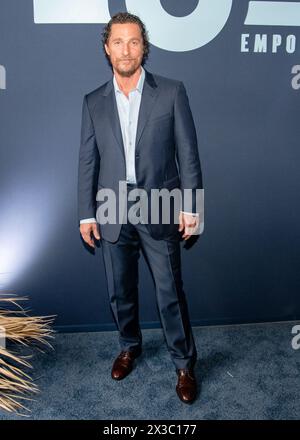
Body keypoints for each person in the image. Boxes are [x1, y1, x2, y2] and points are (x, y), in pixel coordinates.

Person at [78, 12, 204, 404]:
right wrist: (86, 213)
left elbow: (188, 153)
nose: (126, 49)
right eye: (118, 42)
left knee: (169, 292)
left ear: (143, 47)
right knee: (120, 292)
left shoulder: (171, 91)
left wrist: (192, 206)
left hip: (160, 204)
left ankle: (184, 364)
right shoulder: (93, 101)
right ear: (107, 48)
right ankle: (129, 346)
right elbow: (87, 161)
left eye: (133, 41)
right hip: (112, 207)